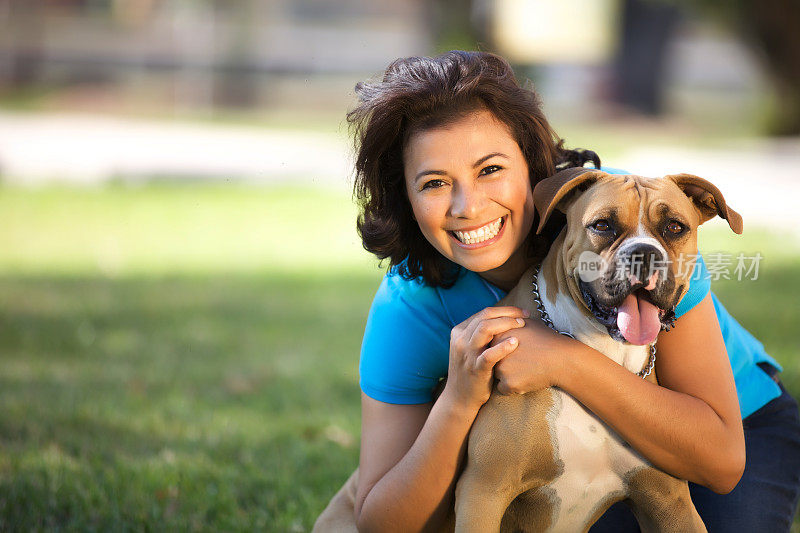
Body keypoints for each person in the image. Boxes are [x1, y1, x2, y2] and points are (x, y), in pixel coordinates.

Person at [315, 50, 800, 532]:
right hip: (565, 450)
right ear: (406, 195)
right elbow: (382, 524)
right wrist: (458, 401)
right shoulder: (412, 301)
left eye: (490, 170)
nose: (469, 206)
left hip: (734, 421)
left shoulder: (637, 224)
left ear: (534, 166)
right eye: (435, 182)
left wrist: (563, 359)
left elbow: (720, 460)